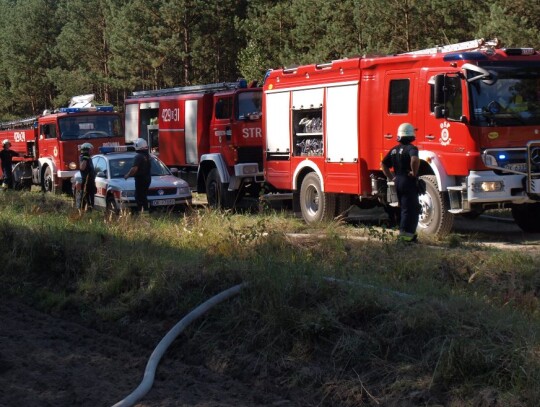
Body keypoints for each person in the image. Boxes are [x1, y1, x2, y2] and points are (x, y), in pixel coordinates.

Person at [381, 123, 421, 242]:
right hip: (408, 181)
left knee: (403, 208)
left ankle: (406, 235)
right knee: (411, 209)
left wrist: (391, 177)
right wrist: (414, 173)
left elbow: (383, 164)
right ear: (411, 136)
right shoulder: (412, 148)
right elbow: (414, 159)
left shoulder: (394, 150)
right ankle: (406, 237)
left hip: (398, 181)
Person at [124, 138, 151, 213]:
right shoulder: (147, 156)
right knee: (143, 197)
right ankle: (145, 214)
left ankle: (143, 215)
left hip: (141, 179)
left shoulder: (138, 156)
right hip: (147, 178)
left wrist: (127, 175)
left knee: (139, 197)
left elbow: (134, 169)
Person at [78, 142, 96, 210]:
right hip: (86, 183)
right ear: (87, 150)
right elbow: (82, 168)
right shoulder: (82, 158)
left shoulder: (90, 158)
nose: (92, 151)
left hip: (91, 183)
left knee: (92, 201)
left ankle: (91, 211)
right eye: (91, 150)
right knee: (86, 200)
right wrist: (85, 158)